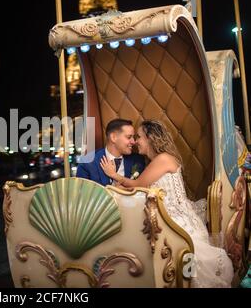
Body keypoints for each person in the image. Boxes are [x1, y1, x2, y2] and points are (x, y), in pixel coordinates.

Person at [100, 120, 234, 288]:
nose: (136, 142)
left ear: (149, 138)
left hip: (175, 218)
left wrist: (114, 175)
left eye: (139, 137)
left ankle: (190, 283)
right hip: (170, 215)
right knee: (183, 260)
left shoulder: (163, 159)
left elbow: (137, 185)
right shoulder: (156, 160)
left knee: (189, 260)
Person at [77, 118, 145, 186]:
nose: (133, 142)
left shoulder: (138, 160)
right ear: (113, 137)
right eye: (129, 137)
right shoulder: (87, 162)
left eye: (133, 137)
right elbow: (82, 194)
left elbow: (140, 187)